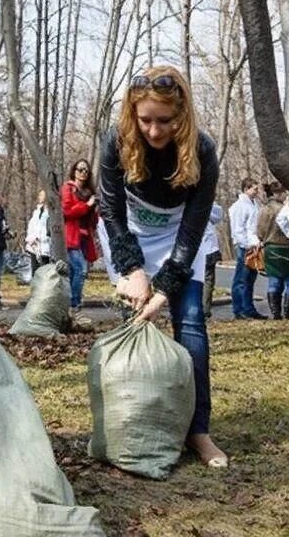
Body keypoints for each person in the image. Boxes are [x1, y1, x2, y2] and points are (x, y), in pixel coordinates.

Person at [97, 64, 227, 468]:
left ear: (182, 115)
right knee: (134, 324)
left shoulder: (203, 152)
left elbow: (192, 229)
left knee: (190, 321)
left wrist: (166, 288)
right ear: (132, 115)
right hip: (130, 232)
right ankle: (131, 419)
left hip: (180, 237)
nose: (154, 131)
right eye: (146, 120)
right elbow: (110, 209)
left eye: (165, 121)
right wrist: (132, 269)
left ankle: (198, 430)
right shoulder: (116, 143)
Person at [61, 159, 100, 310]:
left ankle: (70, 303)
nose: (83, 173)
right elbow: (67, 211)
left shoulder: (89, 193)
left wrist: (94, 209)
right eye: (80, 169)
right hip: (72, 236)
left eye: (86, 170)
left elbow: (93, 222)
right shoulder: (68, 188)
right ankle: (74, 302)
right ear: (74, 171)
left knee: (74, 271)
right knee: (80, 270)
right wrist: (87, 205)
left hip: (85, 238)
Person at [229, 177, 267, 320]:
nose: (257, 191)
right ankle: (239, 309)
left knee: (250, 279)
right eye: (254, 189)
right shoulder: (239, 206)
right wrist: (246, 245)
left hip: (254, 245)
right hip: (245, 247)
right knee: (241, 279)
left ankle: (249, 308)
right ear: (246, 189)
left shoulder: (254, 204)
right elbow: (238, 230)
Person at [256, 181, 289, 319]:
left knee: (273, 281)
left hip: (271, 248)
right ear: (280, 193)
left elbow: (259, 232)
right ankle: (288, 312)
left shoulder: (264, 210)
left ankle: (275, 313)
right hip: (288, 247)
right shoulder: (287, 210)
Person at [201, 202, 224, 319]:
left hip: (196, 248)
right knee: (208, 279)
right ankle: (204, 308)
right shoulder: (205, 204)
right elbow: (217, 215)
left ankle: (201, 308)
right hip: (206, 249)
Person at [25, 189, 52, 269]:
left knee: (44, 270)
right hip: (34, 245)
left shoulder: (51, 212)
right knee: (34, 269)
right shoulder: (37, 211)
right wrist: (31, 238)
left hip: (45, 245)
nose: (39, 197)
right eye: (39, 195)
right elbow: (32, 226)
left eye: (42, 195)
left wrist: (44, 238)